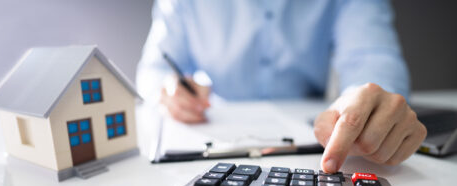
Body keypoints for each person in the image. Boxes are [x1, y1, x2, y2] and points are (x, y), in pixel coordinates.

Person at [136, 0, 427, 173]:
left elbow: (372, 57)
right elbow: (154, 70)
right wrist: (168, 88)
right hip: (210, 139)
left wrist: (372, 105)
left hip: (313, 144)